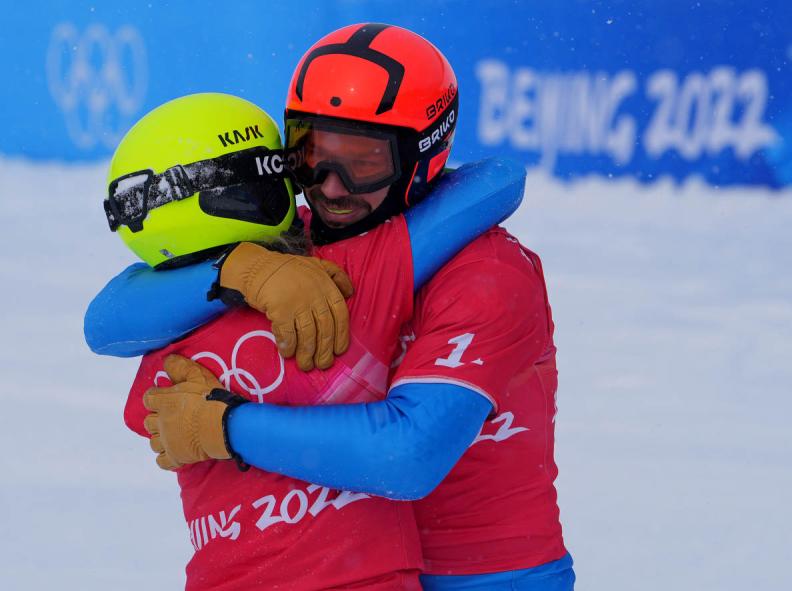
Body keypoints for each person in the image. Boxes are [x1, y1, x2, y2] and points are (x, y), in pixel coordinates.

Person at [86, 24, 574, 590]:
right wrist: (236, 272)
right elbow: (108, 321)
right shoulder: (299, 240)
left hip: (490, 577)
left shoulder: (487, 272)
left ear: (424, 156)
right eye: (312, 154)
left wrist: (224, 423)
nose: (331, 188)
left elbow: (406, 455)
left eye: (363, 163)